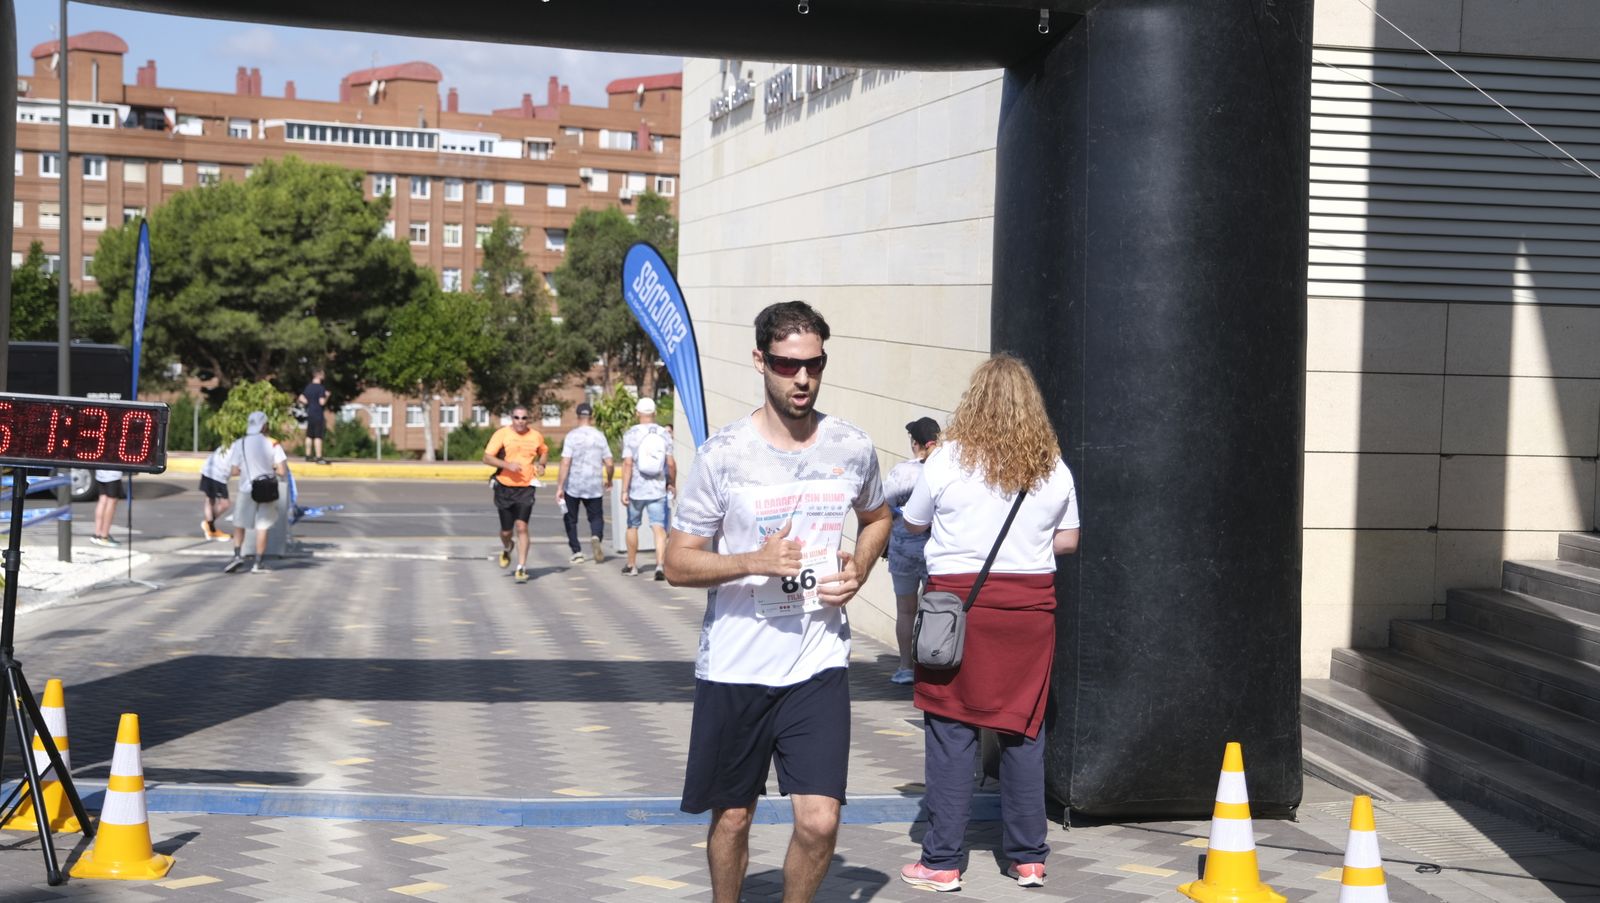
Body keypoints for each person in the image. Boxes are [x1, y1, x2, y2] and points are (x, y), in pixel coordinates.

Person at [662, 300, 892, 903]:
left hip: (817, 663)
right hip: (736, 666)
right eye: (789, 366)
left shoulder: (850, 446)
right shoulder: (724, 455)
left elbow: (877, 517)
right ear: (761, 360)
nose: (803, 380)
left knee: (819, 821)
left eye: (814, 365)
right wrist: (752, 561)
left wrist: (860, 567)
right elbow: (676, 563)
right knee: (733, 817)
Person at [897, 355, 1080, 893]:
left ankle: (942, 862)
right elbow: (1067, 540)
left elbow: (913, 523)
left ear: (973, 400)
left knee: (951, 729)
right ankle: (1027, 859)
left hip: (958, 611)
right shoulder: (1052, 465)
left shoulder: (946, 459)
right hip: (1029, 613)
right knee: (1023, 730)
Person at [884, 416, 940, 685]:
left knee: (905, 610)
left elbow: (882, 505)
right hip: (934, 550)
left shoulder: (900, 472)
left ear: (914, 443)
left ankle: (905, 667)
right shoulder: (944, 469)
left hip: (903, 550)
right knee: (934, 609)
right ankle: (932, 666)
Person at [482, 405, 548, 583]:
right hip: (504, 487)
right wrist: (507, 465)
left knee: (522, 527)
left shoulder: (535, 436)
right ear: (511, 419)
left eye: (524, 418)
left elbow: (544, 452)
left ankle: (521, 567)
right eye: (517, 418)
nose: (520, 421)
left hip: (526, 488)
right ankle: (507, 546)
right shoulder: (502, 434)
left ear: (528, 420)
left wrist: (542, 465)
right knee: (506, 531)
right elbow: (486, 457)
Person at [224, 411, 289, 574]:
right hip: (267, 489)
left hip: (247, 489)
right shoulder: (273, 444)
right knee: (262, 526)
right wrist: (269, 470)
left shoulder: (240, 443)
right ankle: (258, 563)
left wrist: (248, 470)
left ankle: (237, 555)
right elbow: (282, 471)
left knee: (239, 523)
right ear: (264, 425)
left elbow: (234, 471)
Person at [619, 397, 675, 579]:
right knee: (658, 527)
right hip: (657, 488)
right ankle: (660, 565)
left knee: (632, 526)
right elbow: (671, 463)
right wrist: (671, 482)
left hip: (636, 489)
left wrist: (624, 490)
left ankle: (632, 565)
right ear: (655, 413)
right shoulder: (664, 433)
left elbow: (627, 463)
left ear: (637, 413)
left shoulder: (631, 434)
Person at [556, 401, 612, 564]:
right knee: (596, 517)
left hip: (574, 484)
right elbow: (609, 463)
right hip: (594, 484)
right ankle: (596, 536)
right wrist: (608, 479)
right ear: (591, 417)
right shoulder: (599, 436)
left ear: (578, 416)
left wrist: (560, 486)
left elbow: (566, 462)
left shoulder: (572, 436)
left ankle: (577, 551)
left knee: (570, 518)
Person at [199, 439, 235, 541]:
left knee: (210, 500)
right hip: (216, 474)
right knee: (224, 503)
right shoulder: (238, 446)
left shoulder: (233, 443)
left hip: (212, 472)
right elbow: (236, 470)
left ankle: (210, 527)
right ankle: (210, 527)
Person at [297, 371, 330, 464]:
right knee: (318, 436)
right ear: (319, 376)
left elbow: (301, 397)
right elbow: (322, 402)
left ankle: (308, 455)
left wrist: (308, 403)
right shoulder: (321, 388)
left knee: (309, 435)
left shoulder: (308, 387)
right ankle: (319, 457)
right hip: (318, 414)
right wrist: (327, 396)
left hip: (310, 413)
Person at [88, 469, 124, 546]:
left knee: (102, 499)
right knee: (111, 501)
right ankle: (104, 536)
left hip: (101, 471)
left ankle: (97, 535)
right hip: (113, 474)